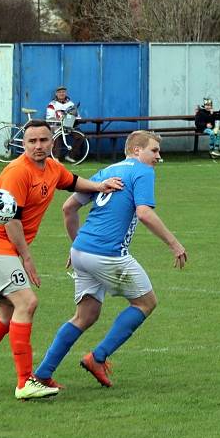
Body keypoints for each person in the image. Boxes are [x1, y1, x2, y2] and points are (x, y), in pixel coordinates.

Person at [0, 120, 123, 400]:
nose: (38, 146)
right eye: (32, 142)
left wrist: (101, 185)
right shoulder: (17, 172)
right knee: (27, 302)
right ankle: (25, 382)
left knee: (7, 313)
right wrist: (27, 259)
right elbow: (10, 222)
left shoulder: (52, 168)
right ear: (24, 144)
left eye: (43, 140)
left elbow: (73, 182)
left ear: (52, 141)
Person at [33, 131, 187, 388]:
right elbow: (144, 213)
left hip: (82, 252)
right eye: (154, 151)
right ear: (137, 151)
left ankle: (42, 373)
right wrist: (174, 244)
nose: (158, 157)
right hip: (107, 254)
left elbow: (68, 208)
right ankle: (98, 357)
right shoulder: (143, 171)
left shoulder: (107, 171)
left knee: (86, 315)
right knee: (146, 303)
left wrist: (77, 245)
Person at [46, 86, 83, 163]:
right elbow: (49, 118)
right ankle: (56, 157)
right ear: (56, 94)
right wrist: (58, 120)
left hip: (69, 126)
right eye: (59, 92)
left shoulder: (71, 104)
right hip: (56, 126)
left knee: (80, 136)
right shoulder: (52, 104)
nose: (61, 94)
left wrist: (75, 119)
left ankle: (70, 156)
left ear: (66, 93)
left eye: (63, 92)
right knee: (57, 136)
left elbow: (77, 116)